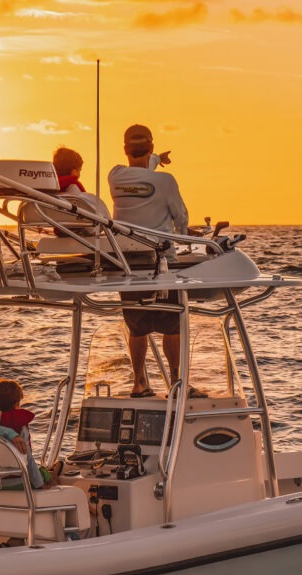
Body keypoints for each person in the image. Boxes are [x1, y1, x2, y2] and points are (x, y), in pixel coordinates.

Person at [108, 123, 192, 398]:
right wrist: (185, 235)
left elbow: (144, 174)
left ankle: (139, 382)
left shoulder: (115, 176)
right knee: (173, 323)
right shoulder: (166, 181)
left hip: (129, 263)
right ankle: (177, 382)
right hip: (162, 263)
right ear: (152, 147)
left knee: (137, 326)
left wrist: (156, 160)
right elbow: (180, 216)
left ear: (124, 150)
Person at [0, 378, 61, 489]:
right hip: (20, 481)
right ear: (17, 402)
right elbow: (28, 458)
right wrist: (40, 484)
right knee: (52, 476)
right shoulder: (20, 427)